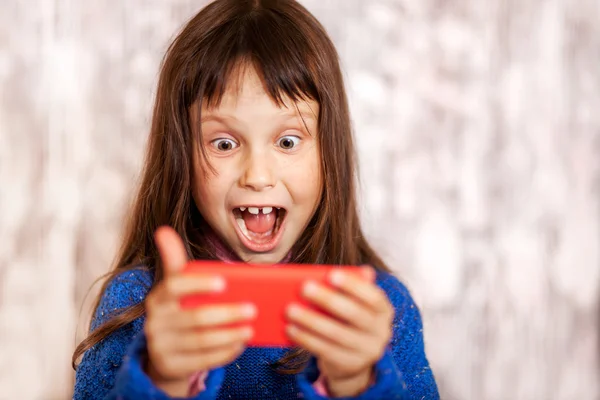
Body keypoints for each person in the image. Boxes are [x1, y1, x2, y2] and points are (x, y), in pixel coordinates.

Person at [72, 0, 439, 399]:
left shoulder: (381, 311)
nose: (257, 176)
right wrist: (162, 381)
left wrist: (357, 383)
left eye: (287, 141)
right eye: (224, 143)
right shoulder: (139, 303)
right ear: (181, 155)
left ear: (329, 152)